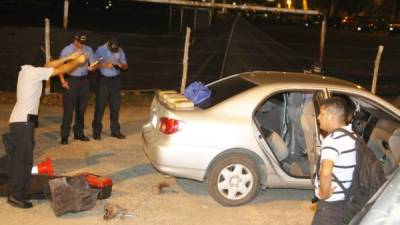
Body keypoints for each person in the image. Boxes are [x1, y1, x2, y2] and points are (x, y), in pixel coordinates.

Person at [4, 52, 87, 208]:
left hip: (20, 121)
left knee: (19, 159)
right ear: (37, 63)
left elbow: (49, 66)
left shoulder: (26, 71)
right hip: (23, 123)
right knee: (23, 161)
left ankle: (17, 192)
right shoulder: (34, 72)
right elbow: (59, 70)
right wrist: (77, 61)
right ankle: (16, 196)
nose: (46, 64)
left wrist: (70, 56)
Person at [312, 97, 356, 225]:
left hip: (332, 206)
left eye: (321, 114)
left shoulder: (332, 140)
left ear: (330, 116)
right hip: (348, 200)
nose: (319, 117)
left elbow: (326, 172)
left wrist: (324, 195)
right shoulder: (352, 135)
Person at [59, 33, 97, 145]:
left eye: (83, 42)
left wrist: (92, 67)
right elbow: (59, 66)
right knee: (68, 110)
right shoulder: (67, 50)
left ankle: (79, 133)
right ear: (75, 40)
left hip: (84, 81)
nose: (82, 45)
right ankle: (64, 135)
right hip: (71, 80)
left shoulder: (88, 49)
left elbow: (94, 64)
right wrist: (62, 81)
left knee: (81, 109)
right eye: (80, 42)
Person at [92, 37, 128, 140]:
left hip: (115, 81)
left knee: (115, 107)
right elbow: (93, 65)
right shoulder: (100, 50)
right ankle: (96, 132)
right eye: (112, 48)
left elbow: (126, 66)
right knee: (100, 107)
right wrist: (104, 64)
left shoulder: (120, 50)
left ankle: (115, 131)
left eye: (115, 49)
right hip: (104, 81)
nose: (114, 50)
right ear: (108, 44)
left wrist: (120, 65)